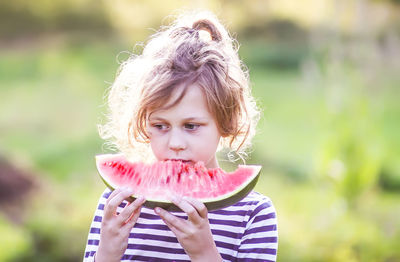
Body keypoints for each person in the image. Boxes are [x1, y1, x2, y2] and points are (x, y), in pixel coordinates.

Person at [83, 10, 278, 262]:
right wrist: (107, 253)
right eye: (161, 126)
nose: (175, 144)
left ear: (225, 122)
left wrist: (205, 253)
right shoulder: (119, 206)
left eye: (191, 126)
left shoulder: (253, 213)